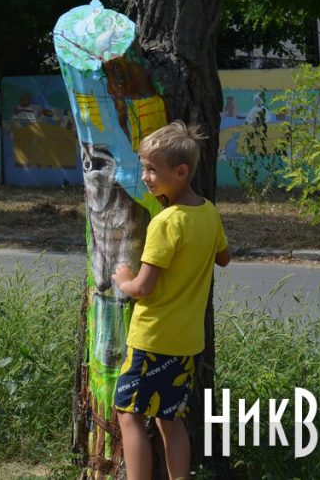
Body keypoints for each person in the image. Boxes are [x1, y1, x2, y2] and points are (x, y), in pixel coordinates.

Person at [110, 121, 230, 480]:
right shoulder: (207, 212)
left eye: (151, 170)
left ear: (180, 172)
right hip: (186, 341)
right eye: (143, 167)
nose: (144, 177)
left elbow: (144, 287)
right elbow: (224, 257)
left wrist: (124, 280)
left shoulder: (165, 223)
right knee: (170, 418)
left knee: (128, 415)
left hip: (151, 338)